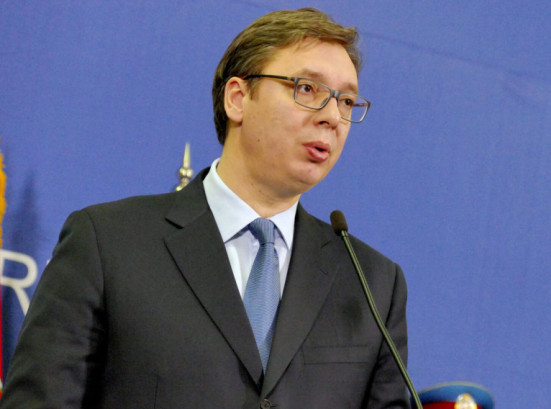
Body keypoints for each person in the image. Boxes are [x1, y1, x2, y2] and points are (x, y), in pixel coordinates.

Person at [0, 8, 410, 409]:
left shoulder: (373, 284)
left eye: (347, 101)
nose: (333, 117)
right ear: (238, 99)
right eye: (307, 89)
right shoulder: (107, 243)